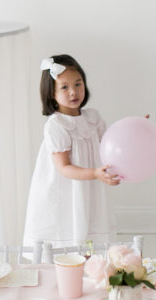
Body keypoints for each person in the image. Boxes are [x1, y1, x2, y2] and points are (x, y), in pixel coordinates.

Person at [23, 54, 118, 250]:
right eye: (64, 87)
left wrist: (132, 131)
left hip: (90, 188)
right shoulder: (57, 125)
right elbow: (64, 168)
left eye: (78, 84)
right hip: (66, 189)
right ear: (51, 93)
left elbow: (110, 143)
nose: (73, 92)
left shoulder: (93, 117)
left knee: (91, 230)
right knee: (68, 228)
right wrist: (94, 173)